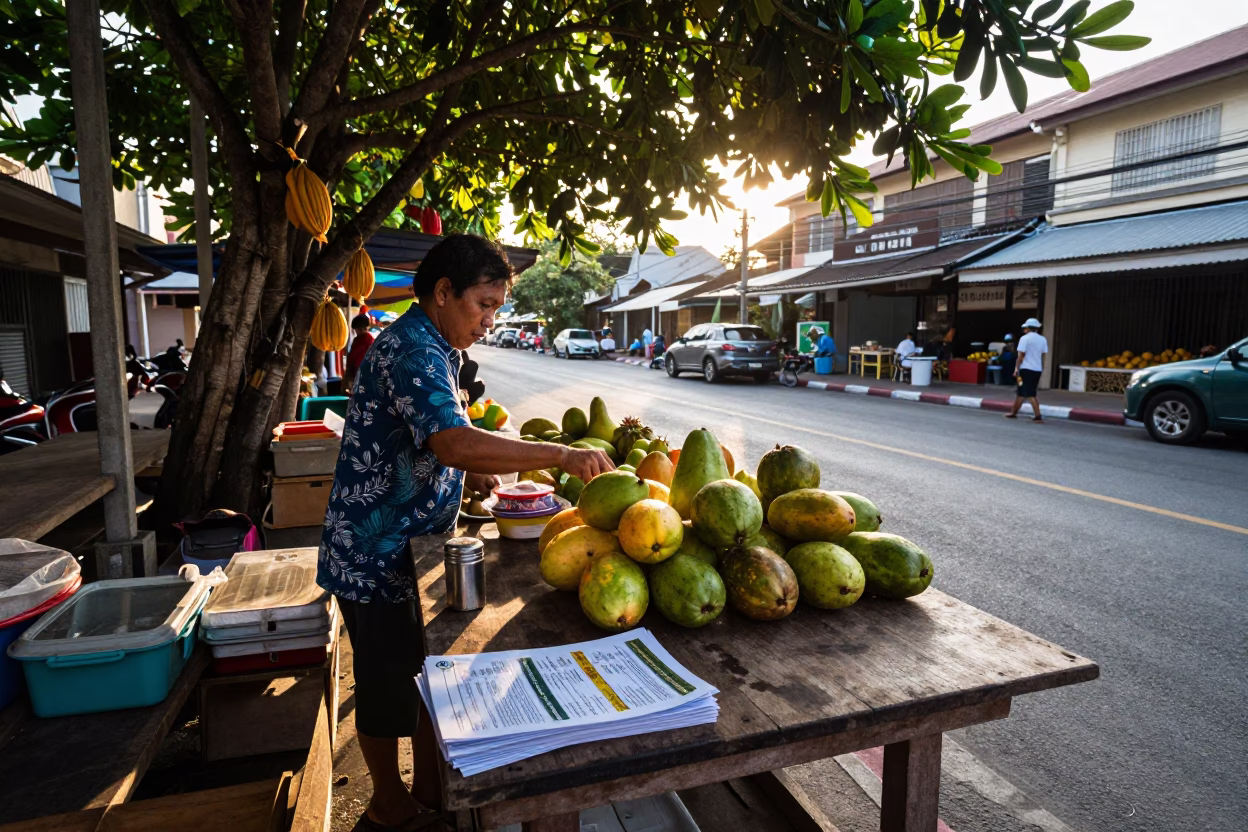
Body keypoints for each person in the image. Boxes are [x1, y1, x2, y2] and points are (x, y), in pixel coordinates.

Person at [317, 235, 614, 831]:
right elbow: (451, 440)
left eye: (498, 307)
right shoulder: (412, 351)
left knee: (424, 678)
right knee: (386, 686)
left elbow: (435, 440)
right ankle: (388, 805)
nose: (490, 319)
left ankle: (429, 792)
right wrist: (556, 452)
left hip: (413, 541)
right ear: (444, 292)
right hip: (373, 551)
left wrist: (475, 474)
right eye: (484, 304)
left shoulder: (437, 347)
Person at [1007, 318, 1048, 422]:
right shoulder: (1043, 339)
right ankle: (1014, 412)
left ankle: (1038, 416)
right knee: (1021, 392)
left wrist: (1016, 368)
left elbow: (1020, 356)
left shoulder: (1024, 339)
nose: (1024, 329)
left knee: (1030, 393)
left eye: (1025, 327)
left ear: (1028, 328)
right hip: (1037, 370)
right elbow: (1043, 355)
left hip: (1026, 369)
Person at [344, 314, 375, 392]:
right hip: (356, 375)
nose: (356, 332)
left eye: (356, 330)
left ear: (360, 329)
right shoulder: (357, 340)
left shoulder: (369, 341)